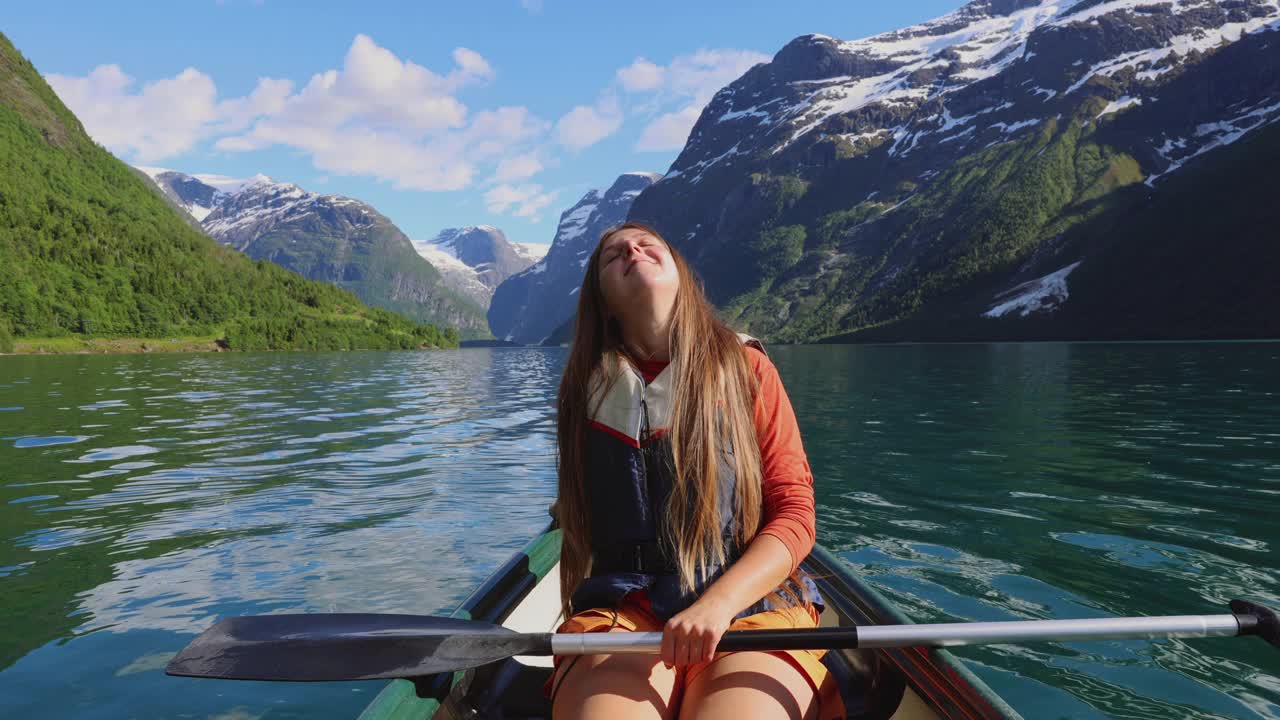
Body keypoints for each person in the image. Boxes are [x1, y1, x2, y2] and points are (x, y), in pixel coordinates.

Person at [548, 222, 843, 720]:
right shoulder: (585, 391)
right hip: (625, 609)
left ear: (680, 271)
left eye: (648, 244)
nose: (633, 250)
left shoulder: (747, 369)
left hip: (754, 604)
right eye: (613, 254)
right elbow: (579, 508)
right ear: (601, 296)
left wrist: (717, 604)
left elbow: (795, 512)